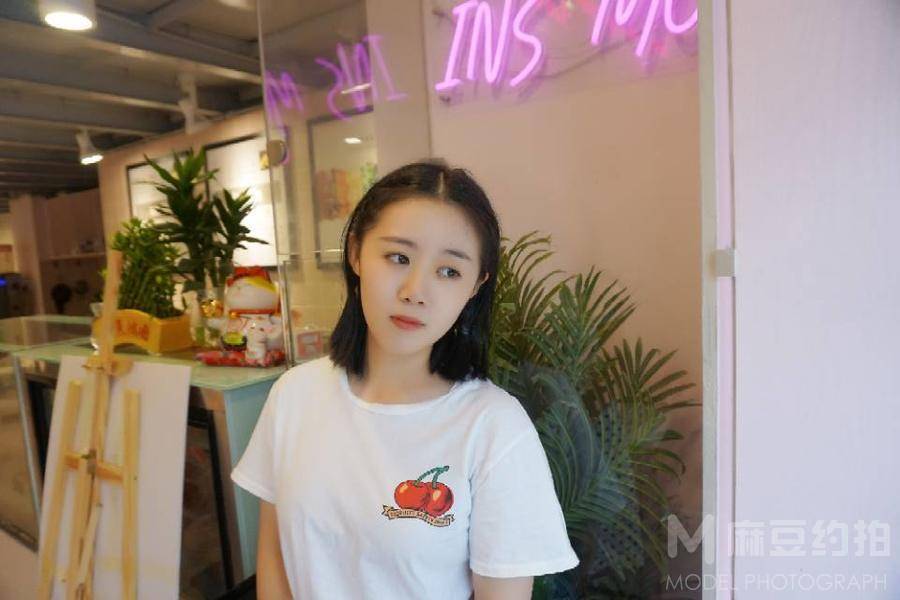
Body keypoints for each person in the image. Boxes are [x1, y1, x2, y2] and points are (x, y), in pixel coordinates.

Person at [231, 161, 578, 599]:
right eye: (398, 258)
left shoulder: (495, 427)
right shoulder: (294, 395)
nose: (415, 291)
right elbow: (274, 556)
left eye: (449, 271)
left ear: (475, 285)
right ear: (356, 253)